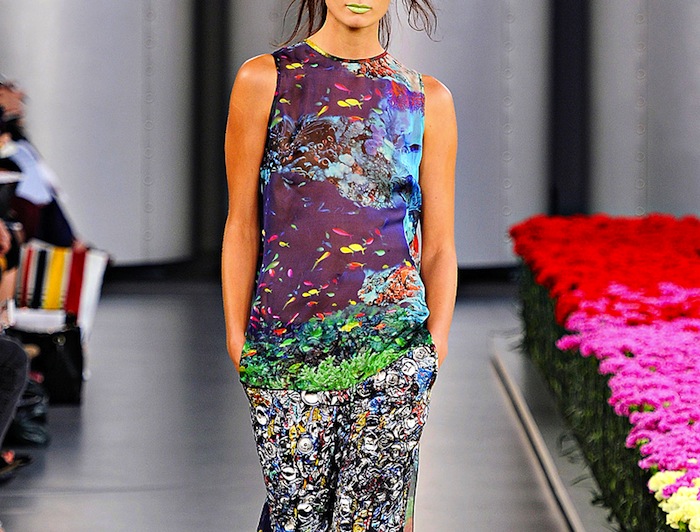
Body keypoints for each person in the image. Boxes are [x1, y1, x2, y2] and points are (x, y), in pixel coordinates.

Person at [222, 0, 457, 530]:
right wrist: (238, 341)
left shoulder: (427, 98)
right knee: (295, 518)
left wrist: (433, 346)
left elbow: (440, 244)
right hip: (283, 349)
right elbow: (241, 224)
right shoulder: (264, 80)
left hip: (395, 350)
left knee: (376, 521)